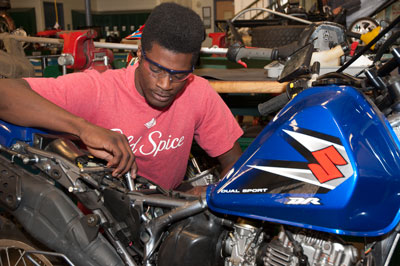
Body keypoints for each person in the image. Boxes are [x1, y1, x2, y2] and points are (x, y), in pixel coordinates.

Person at [0, 2, 243, 192]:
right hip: (106, 224)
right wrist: (83, 128)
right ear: (140, 52)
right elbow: (5, 94)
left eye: (179, 74)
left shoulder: (198, 91)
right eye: (156, 69)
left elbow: (235, 162)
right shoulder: (99, 89)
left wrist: (209, 195)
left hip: (169, 205)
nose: (165, 85)